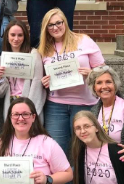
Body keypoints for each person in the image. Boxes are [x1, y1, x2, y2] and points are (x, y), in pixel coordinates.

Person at [38, 8, 105, 157]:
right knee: (58, 151)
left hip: (85, 104)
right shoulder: (44, 48)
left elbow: (104, 70)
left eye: (58, 23)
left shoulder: (83, 40)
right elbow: (41, 78)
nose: (55, 27)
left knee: (83, 151)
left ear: (65, 22)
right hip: (56, 105)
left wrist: (92, 73)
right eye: (50, 25)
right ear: (46, 28)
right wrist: (45, 81)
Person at [0, 98, 73, 184]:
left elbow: (68, 174)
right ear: (10, 117)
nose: (20, 118)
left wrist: (47, 179)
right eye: (16, 114)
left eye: (25, 114)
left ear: (33, 117)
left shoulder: (47, 143)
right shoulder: (0, 143)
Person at [0, 19, 46, 122]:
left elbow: (37, 86)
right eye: (12, 35)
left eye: (20, 35)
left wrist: (30, 112)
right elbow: (0, 93)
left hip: (30, 109)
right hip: (10, 107)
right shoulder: (2, 59)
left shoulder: (33, 55)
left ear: (25, 37)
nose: (16, 39)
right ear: (7, 37)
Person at [71, 111, 124, 184]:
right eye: (78, 128)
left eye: (87, 126)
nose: (82, 131)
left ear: (96, 128)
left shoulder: (117, 151)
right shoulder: (80, 152)